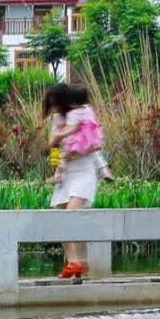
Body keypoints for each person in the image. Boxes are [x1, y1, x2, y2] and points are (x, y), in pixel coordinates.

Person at [46, 83, 104, 280]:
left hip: (84, 171)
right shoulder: (57, 118)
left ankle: (82, 260)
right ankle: (73, 262)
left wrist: (103, 169)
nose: (52, 107)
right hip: (65, 173)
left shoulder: (84, 113)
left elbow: (95, 144)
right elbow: (52, 144)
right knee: (59, 215)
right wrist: (57, 165)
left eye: (55, 103)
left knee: (73, 214)